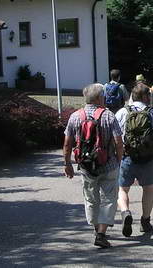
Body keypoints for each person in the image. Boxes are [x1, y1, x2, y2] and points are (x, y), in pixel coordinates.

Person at [63, 83, 124, 249]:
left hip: (86, 166)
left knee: (90, 198)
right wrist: (119, 159)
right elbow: (119, 141)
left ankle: (97, 229)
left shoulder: (76, 116)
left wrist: (67, 163)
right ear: (98, 98)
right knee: (109, 198)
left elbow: (67, 143)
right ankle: (102, 233)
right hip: (108, 164)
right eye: (102, 96)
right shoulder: (109, 116)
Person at [115, 83, 153, 237]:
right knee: (148, 189)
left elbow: (115, 138)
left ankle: (125, 212)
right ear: (146, 96)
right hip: (148, 157)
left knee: (122, 189)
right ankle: (145, 221)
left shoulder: (122, 113)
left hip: (127, 156)